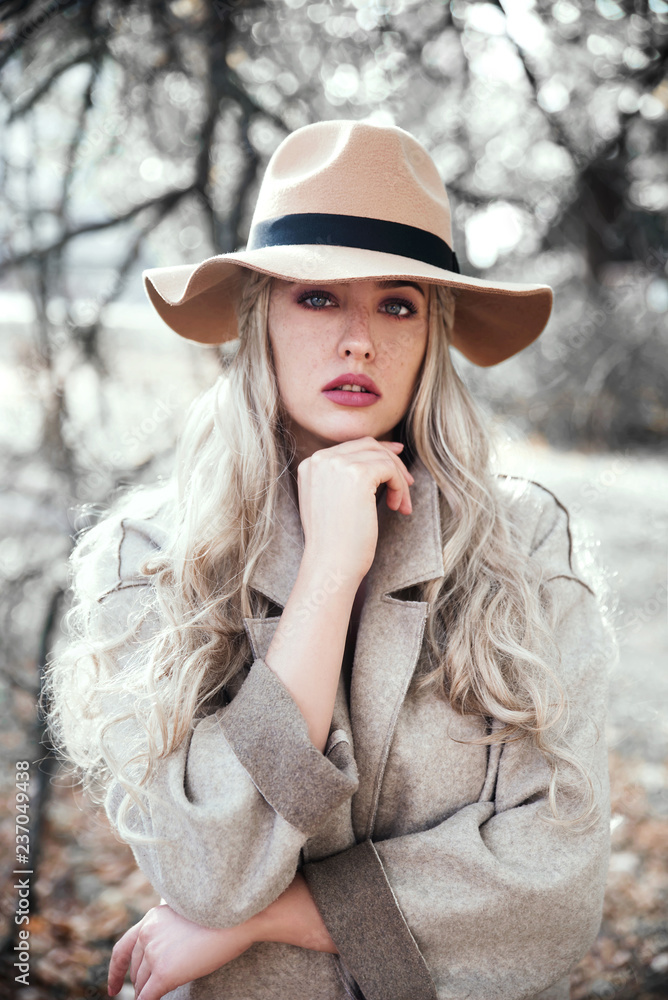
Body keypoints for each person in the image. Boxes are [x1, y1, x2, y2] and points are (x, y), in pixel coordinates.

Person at [44, 120, 614, 1000]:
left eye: (397, 303)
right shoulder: (151, 556)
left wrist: (278, 913)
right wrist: (327, 576)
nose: (359, 340)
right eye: (317, 298)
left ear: (433, 335)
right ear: (257, 317)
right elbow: (209, 873)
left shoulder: (523, 545)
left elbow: (554, 887)